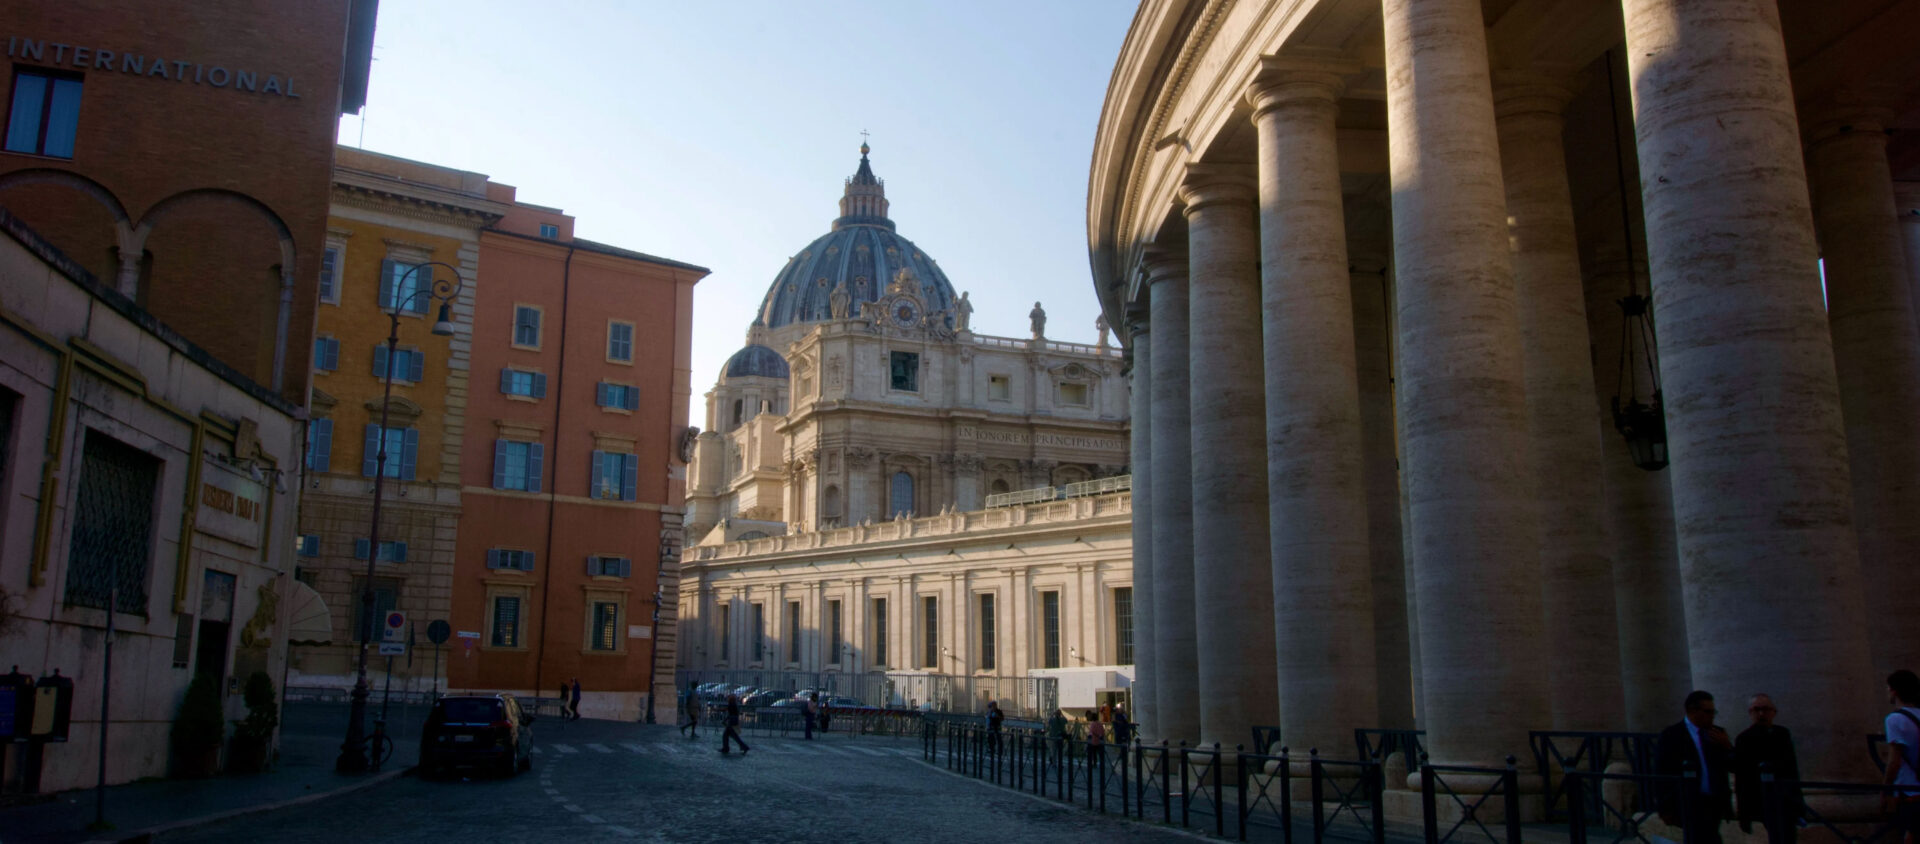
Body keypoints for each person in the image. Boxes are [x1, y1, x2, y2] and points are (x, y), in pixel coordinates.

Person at [1656, 690, 1734, 844]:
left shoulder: (1717, 734)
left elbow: (1732, 765)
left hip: (1714, 801)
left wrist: (1728, 747)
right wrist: (1665, 807)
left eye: (1713, 712)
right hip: (1688, 801)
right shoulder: (1672, 735)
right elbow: (1662, 771)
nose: (1712, 715)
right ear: (1692, 711)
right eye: (1708, 711)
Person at [1734, 693, 1803, 842]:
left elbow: (1791, 769)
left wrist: (1798, 804)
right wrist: (1743, 815)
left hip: (1784, 799)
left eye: (1765, 709)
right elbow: (1742, 778)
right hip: (1761, 801)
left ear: (1773, 712)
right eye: (1756, 709)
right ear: (1750, 713)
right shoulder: (1744, 739)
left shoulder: (1782, 734)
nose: (1761, 713)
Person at [1882, 669, 1920, 839]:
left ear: (1894, 691)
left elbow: (1894, 761)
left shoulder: (1894, 719)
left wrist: (1885, 790)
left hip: (1909, 790)